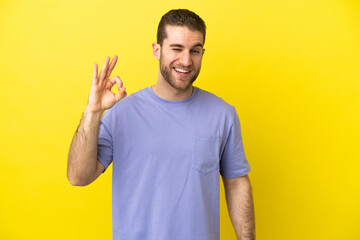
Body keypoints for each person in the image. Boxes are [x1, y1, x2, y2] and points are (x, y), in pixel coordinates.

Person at [67, 9, 255, 240]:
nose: (186, 61)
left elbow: (237, 184)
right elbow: (78, 177)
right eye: (176, 49)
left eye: (194, 51)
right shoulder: (122, 113)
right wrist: (92, 112)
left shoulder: (222, 114)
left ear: (202, 52)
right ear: (157, 50)